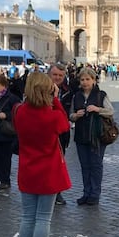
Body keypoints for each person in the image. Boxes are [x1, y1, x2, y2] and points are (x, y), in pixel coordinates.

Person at [14, 72, 71, 237]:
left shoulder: (18, 111)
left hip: (27, 168)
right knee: (43, 218)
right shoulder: (53, 116)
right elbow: (65, 125)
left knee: (27, 217)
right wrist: (55, 99)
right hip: (48, 171)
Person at [69, 67, 115, 205]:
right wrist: (75, 116)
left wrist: (97, 109)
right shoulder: (76, 96)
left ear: (94, 80)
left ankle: (95, 194)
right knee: (84, 165)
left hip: (97, 136)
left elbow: (111, 111)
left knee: (95, 165)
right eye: (82, 79)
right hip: (81, 135)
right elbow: (70, 115)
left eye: (87, 79)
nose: (84, 82)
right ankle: (86, 192)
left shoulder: (101, 95)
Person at [48, 63, 73, 205]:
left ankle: (57, 192)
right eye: (55, 75)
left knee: (59, 163)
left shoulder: (68, 90)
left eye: (60, 75)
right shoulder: (40, 90)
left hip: (62, 133)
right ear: (49, 75)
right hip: (45, 132)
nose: (57, 78)